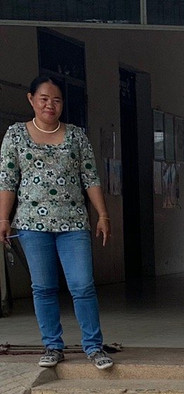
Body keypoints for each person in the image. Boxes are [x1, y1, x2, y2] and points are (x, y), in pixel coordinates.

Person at [0, 76, 114, 371]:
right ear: (31, 99)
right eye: (44, 98)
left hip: (74, 224)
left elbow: (90, 178)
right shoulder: (15, 136)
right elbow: (7, 181)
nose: (50, 105)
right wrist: (3, 218)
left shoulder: (76, 136)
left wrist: (102, 214)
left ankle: (93, 346)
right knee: (43, 287)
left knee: (82, 284)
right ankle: (52, 345)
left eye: (57, 100)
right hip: (31, 226)